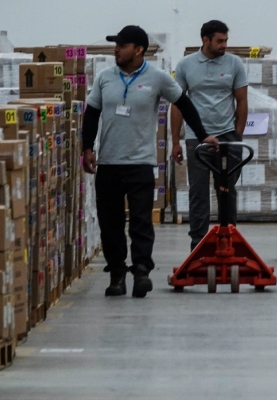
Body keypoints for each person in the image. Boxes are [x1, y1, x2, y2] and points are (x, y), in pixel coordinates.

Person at [82, 25, 217, 298]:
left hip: (141, 164)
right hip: (108, 163)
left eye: (121, 45)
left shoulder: (157, 78)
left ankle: (141, 271)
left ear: (138, 50)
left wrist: (202, 135)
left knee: (141, 222)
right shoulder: (105, 77)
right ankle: (117, 275)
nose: (116, 50)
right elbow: (92, 113)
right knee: (111, 223)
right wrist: (87, 148)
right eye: (115, 45)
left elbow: (184, 103)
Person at [170, 20, 248, 251]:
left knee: (226, 189)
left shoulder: (234, 63)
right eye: (219, 41)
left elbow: (242, 101)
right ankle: (198, 242)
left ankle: (229, 236)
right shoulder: (185, 65)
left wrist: (238, 136)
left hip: (227, 136)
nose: (224, 45)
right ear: (205, 40)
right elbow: (177, 104)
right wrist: (176, 141)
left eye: (226, 40)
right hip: (198, 137)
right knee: (198, 191)